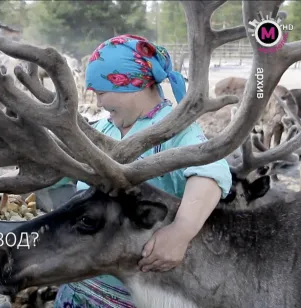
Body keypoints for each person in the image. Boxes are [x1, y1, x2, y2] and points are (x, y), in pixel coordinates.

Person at [52, 34, 232, 307]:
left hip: (139, 291)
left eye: (101, 93)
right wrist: (7, 186)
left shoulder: (174, 130)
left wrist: (181, 231)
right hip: (82, 280)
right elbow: (64, 166)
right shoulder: (103, 129)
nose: (99, 103)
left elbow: (210, 172)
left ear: (128, 85)